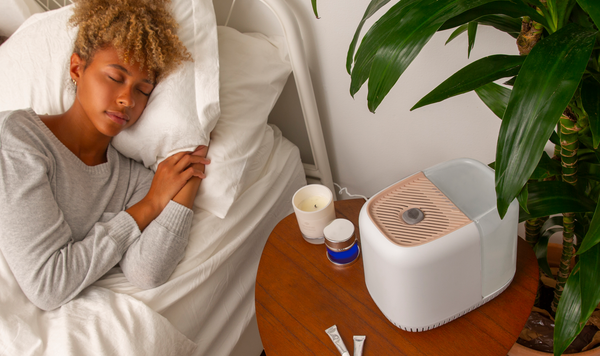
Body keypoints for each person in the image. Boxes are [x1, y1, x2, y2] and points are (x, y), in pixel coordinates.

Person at [0, 0, 208, 310]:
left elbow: (146, 271)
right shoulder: (19, 137)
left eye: (143, 90)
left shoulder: (134, 177)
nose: (127, 99)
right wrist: (150, 205)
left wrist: (191, 172)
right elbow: (48, 286)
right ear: (77, 68)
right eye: (115, 77)